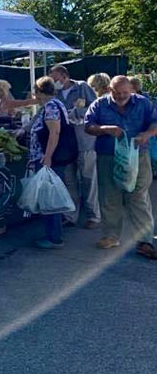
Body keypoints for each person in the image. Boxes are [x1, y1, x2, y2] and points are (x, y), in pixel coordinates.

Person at [85, 76, 157, 258]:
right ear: (110, 89)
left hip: (138, 155)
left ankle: (145, 241)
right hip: (108, 156)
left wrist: (147, 134)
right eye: (117, 93)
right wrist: (105, 129)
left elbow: (155, 122)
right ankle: (111, 236)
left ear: (131, 90)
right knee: (109, 195)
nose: (121, 96)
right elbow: (88, 126)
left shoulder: (143, 103)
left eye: (125, 93)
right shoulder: (99, 104)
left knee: (139, 196)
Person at [29, 76, 79, 249]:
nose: (34, 95)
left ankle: (54, 237)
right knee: (50, 196)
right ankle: (53, 234)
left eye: (36, 92)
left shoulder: (51, 107)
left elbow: (54, 133)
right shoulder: (55, 104)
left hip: (48, 158)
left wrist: (48, 156)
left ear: (40, 92)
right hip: (49, 157)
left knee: (49, 198)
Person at [49, 65, 100, 229]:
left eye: (56, 78)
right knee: (69, 181)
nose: (54, 82)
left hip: (85, 142)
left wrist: (77, 112)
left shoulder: (82, 87)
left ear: (64, 76)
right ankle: (70, 215)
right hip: (66, 145)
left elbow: (95, 108)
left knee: (88, 180)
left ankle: (94, 216)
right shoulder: (54, 94)